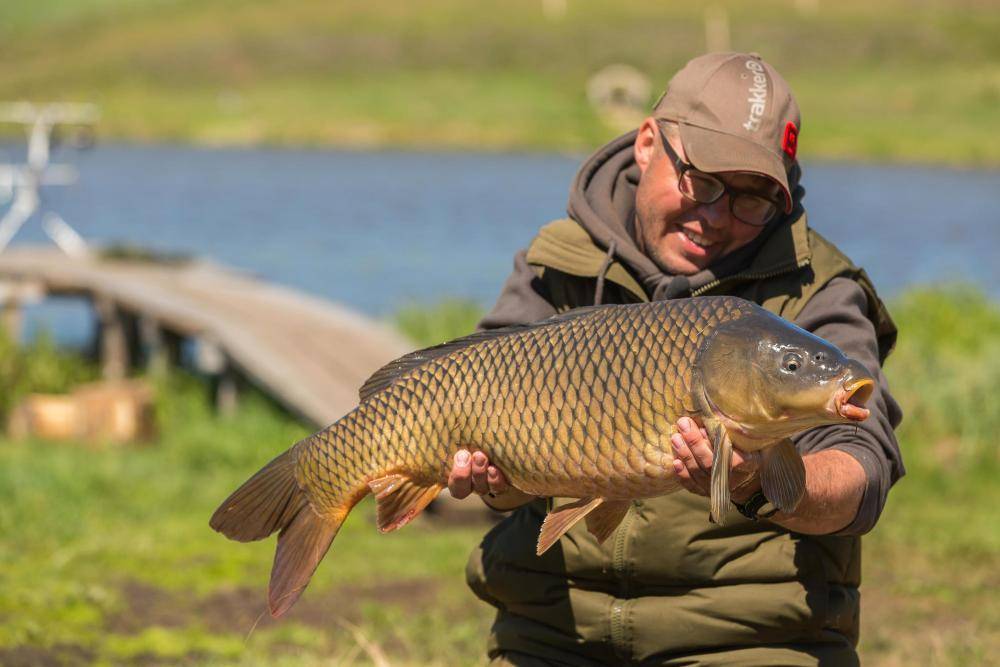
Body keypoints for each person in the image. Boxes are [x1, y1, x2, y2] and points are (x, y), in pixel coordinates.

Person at [446, 52, 904, 666]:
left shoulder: (819, 290)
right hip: (554, 631)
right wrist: (494, 486)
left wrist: (760, 478)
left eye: (751, 200)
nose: (714, 217)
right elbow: (487, 470)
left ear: (785, 197)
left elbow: (861, 474)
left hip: (748, 638)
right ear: (645, 144)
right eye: (703, 181)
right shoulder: (557, 262)